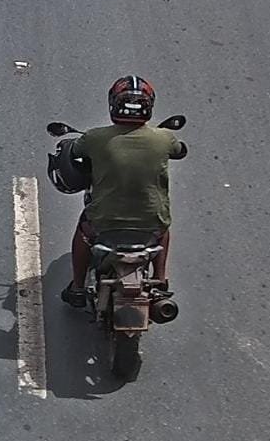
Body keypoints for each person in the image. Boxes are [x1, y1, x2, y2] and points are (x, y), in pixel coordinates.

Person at [61, 76, 186, 308]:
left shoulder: (95, 138)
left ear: (113, 104)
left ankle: (77, 287)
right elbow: (180, 150)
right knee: (163, 229)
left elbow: (74, 150)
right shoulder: (164, 138)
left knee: (83, 232)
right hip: (151, 222)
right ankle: (160, 280)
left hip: (104, 222)